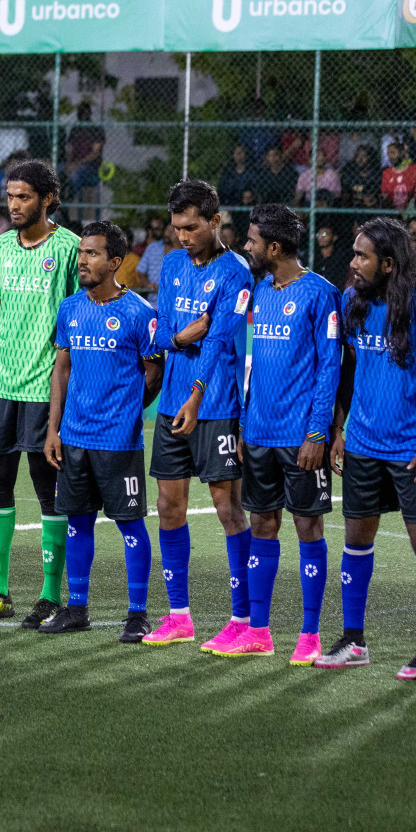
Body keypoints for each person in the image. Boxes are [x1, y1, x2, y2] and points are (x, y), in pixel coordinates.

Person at [0, 160, 81, 626]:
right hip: (0, 387)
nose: (14, 205)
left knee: (47, 490)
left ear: (48, 198)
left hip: (42, 387)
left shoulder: (71, 248)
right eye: (10, 196)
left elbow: (76, 319)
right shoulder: (3, 246)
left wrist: (67, 391)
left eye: (24, 197)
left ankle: (50, 595)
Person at [141, 180, 254, 650]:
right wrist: (185, 337)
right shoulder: (169, 265)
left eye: (191, 227)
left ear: (214, 221)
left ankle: (244, 620)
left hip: (216, 408)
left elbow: (221, 340)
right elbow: (162, 333)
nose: (183, 237)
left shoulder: (236, 272)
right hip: (170, 405)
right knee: (169, 506)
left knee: (229, 508)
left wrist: (196, 393)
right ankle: (179, 616)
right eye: (176, 228)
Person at [41, 221, 163, 639]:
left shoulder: (139, 313)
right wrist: (53, 428)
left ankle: (137, 613)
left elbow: (153, 372)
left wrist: (128, 411)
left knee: (130, 524)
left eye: (92, 254)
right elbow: (62, 368)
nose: (83, 262)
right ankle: (77, 608)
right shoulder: (70, 307)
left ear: (115, 262)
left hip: (118, 440)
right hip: (73, 436)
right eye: (80, 254)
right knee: (77, 523)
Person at [232, 203, 341, 664]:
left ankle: (310, 634)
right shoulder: (260, 290)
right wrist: (244, 421)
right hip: (259, 431)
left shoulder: (321, 294)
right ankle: (258, 630)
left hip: (300, 439)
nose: (247, 247)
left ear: (274, 247)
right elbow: (254, 363)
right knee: (262, 524)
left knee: (307, 526)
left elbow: (329, 367)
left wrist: (318, 433)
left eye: (253, 241)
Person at [319, 219, 416, 674]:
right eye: (354, 254)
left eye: (362, 256)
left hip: (408, 446)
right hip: (362, 443)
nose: (353, 263)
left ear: (389, 264)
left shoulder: (412, 306)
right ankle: (353, 641)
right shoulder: (351, 300)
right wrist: (340, 429)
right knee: (357, 539)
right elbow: (345, 370)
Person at [380, 141, 415, 210]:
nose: (390, 157)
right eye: (388, 154)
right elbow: (385, 195)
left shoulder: (413, 170)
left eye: (393, 153)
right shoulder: (387, 173)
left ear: (402, 153)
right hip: (392, 211)